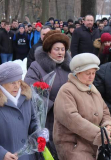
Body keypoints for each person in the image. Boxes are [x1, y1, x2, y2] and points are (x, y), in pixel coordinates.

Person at [53, 53, 111, 160]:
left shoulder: (92, 89)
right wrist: (99, 134)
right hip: (74, 147)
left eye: (93, 73)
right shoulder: (66, 90)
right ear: (77, 73)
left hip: (94, 146)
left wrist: (108, 126)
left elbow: (105, 111)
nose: (91, 76)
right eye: (88, 73)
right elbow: (71, 118)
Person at [25, 30, 71, 159]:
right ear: (49, 50)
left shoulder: (70, 67)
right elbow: (30, 88)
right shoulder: (37, 66)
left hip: (68, 115)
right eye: (57, 49)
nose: (61, 52)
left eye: (63, 49)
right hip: (46, 118)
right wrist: (52, 104)